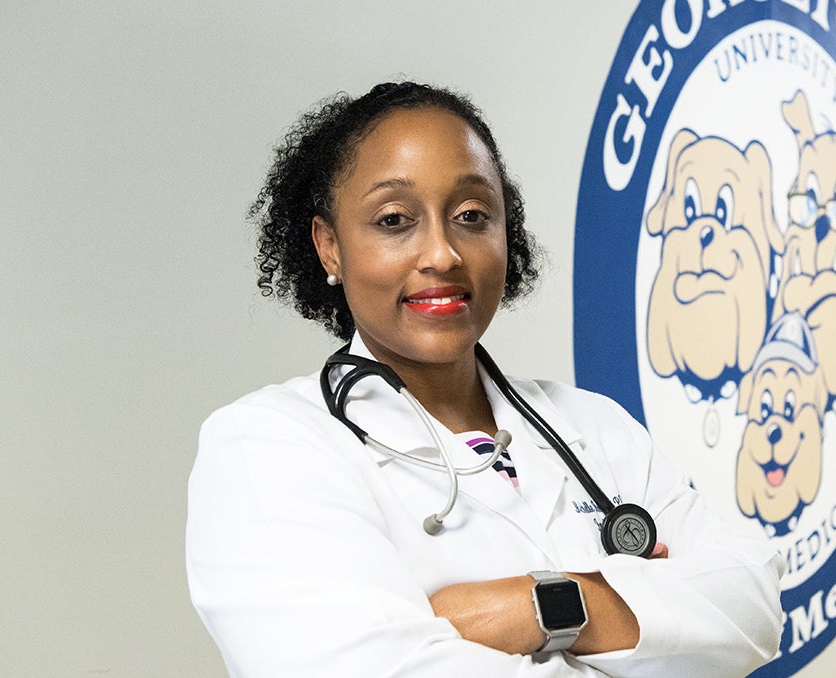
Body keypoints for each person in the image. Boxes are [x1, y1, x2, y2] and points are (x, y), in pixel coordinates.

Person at [186, 82, 785, 677]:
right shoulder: (267, 447)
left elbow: (754, 606)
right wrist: (644, 618)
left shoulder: (594, 427)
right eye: (394, 220)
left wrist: (546, 604)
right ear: (329, 247)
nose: (443, 254)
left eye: (472, 215)